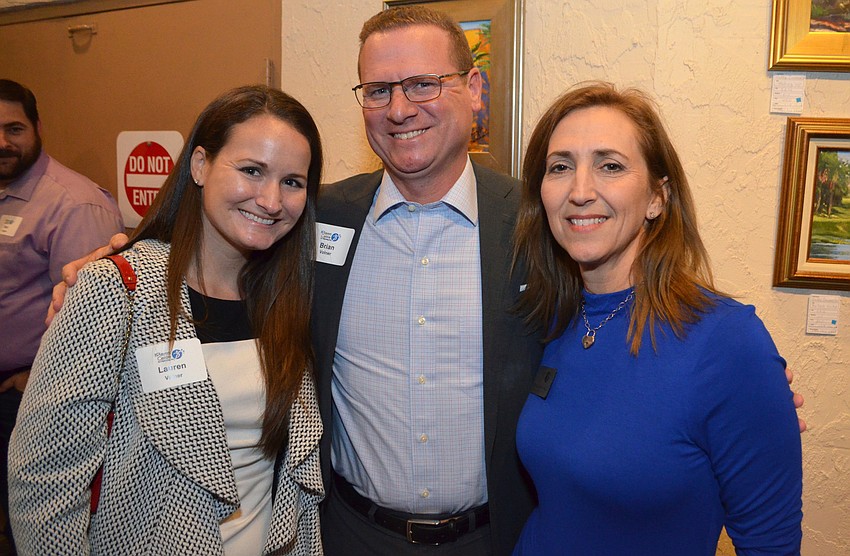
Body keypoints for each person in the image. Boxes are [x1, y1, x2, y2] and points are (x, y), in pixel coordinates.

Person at [47, 8, 807, 555]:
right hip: (346, 532)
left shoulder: (537, 221)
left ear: (473, 92)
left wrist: (745, 394)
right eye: (376, 90)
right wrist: (116, 267)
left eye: (422, 83)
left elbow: (631, 321)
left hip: (494, 535)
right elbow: (228, 254)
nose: (398, 107)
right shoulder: (316, 215)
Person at [8, 85, 324, 555]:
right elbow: (44, 479)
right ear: (200, 165)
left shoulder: (286, 294)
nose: (271, 200)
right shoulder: (117, 288)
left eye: (292, 182)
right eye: (252, 170)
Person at [511, 82, 803, 554]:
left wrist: (759, 395)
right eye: (560, 166)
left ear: (656, 198)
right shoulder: (549, 318)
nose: (580, 191)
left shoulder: (725, 341)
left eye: (610, 166)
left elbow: (770, 544)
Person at [0, 78, 124, 552]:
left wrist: (36, 374)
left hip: (32, 399)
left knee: (35, 524)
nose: (3, 142)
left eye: (14, 128)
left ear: (38, 128)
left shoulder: (74, 204)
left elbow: (92, 325)